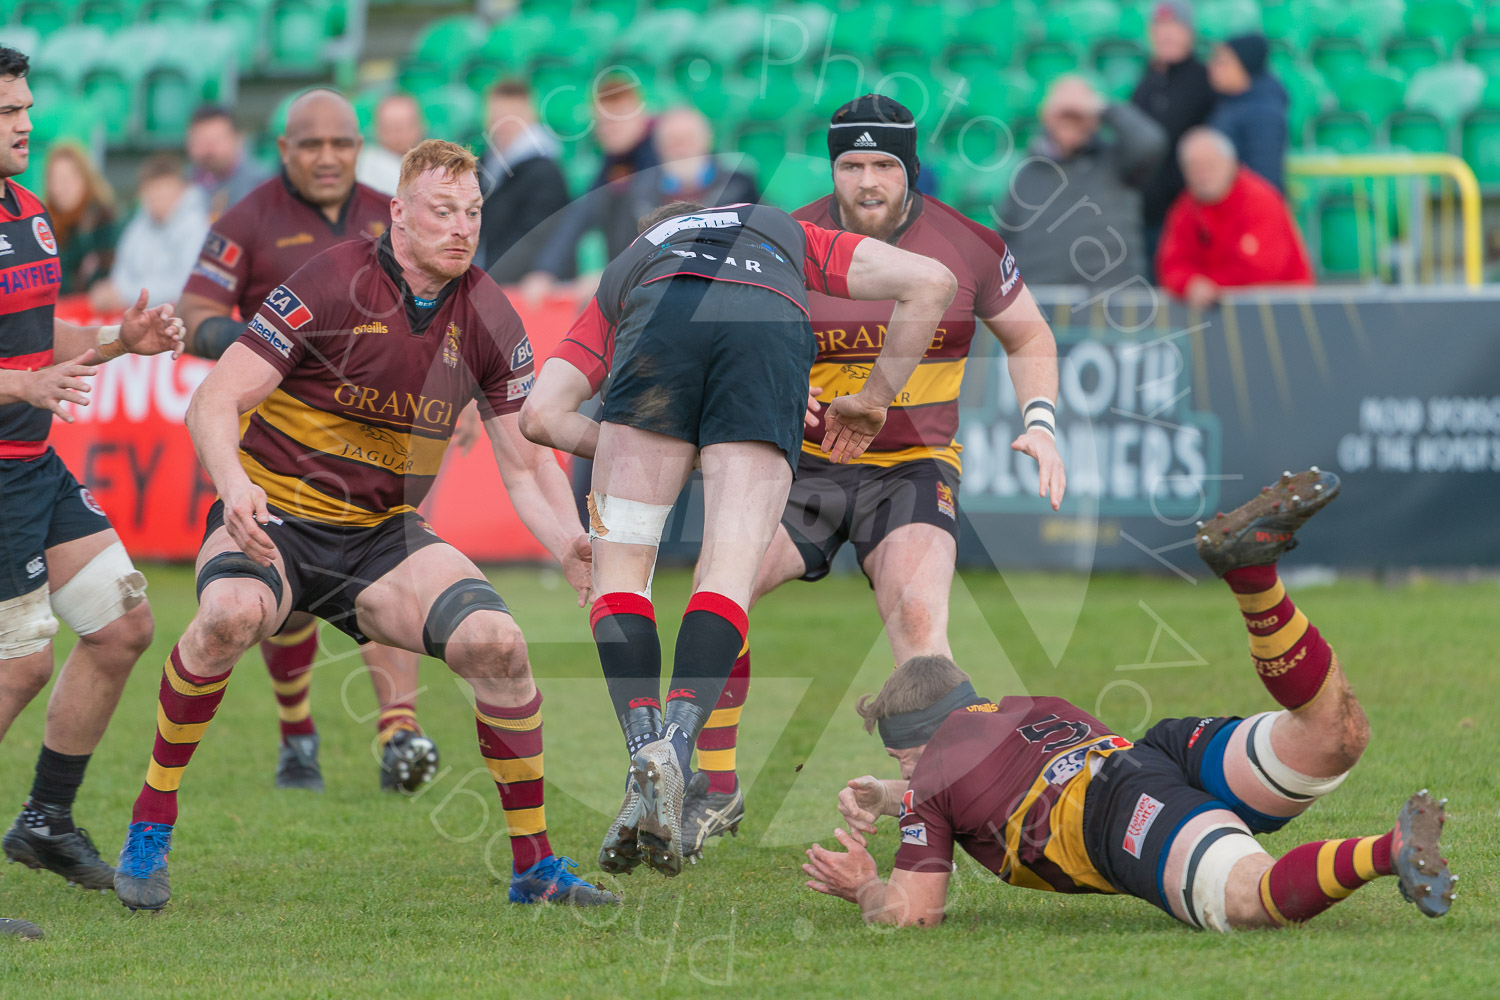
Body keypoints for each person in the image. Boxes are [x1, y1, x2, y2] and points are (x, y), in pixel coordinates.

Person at [111, 140, 617, 912]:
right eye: (442, 211)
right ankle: (151, 820)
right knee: (226, 618)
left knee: (499, 645)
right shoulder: (331, 278)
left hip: (381, 533)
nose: (461, 228)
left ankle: (535, 869)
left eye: (473, 212)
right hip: (276, 514)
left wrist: (569, 545)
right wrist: (235, 483)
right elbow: (213, 400)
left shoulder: (486, 310)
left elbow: (525, 463)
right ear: (400, 215)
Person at [803, 468, 1457, 931]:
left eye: (905, 762)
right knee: (1334, 735)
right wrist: (889, 795)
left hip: (1120, 814)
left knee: (1251, 898)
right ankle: (1255, 580)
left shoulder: (934, 780)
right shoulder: (1027, 709)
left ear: (920, 741)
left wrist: (862, 881)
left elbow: (914, 914)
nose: (908, 778)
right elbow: (959, 780)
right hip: (1156, 754)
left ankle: (1389, 847)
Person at [521, 193, 959, 877]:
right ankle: (678, 740)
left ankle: (644, 744)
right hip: (769, 328)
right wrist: (872, 400)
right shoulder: (776, 226)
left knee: (622, 573)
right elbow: (934, 282)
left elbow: (539, 416)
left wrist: (657, 454)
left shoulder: (636, 261)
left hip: (657, 324)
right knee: (727, 570)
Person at [696, 94, 1066, 856]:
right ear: (832, 167)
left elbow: (1030, 334)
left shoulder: (967, 244)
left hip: (912, 466)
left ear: (911, 169)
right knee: (720, 591)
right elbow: (731, 339)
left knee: (922, 628)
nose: (867, 181)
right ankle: (716, 785)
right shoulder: (784, 239)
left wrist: (1041, 424)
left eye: (884, 165)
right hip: (801, 468)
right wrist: (781, 383)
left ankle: (946, 812)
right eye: (851, 164)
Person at [175, 88, 435, 795]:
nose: (327, 157)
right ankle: (297, 736)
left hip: (383, 432)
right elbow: (194, 309)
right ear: (284, 148)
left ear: (360, 147)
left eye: (341, 144)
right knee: (284, 588)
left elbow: (448, 311)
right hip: (277, 442)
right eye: (311, 144)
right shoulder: (246, 219)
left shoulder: (397, 214)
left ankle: (399, 732)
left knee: (388, 566)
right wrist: (266, 344)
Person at [0, 44, 185, 939]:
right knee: (19, 664)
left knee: (120, 629)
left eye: (24, 106)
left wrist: (117, 340)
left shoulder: (30, 212)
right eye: (5, 112)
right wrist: (20, 385)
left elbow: (42, 331)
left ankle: (44, 822)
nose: (23, 122)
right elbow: (20, 366)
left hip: (34, 465)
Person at [998, 76, 1166, 286]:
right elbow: (1005, 241)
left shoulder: (1116, 161)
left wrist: (1101, 106)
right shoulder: (1026, 174)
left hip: (1112, 299)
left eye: (1079, 115)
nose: (1071, 122)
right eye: (1064, 114)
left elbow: (1150, 143)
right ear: (1047, 117)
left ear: (1094, 119)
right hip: (1043, 301)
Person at [519, 75, 658, 302]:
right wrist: (545, 271)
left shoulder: (663, 159)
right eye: (601, 123)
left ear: (640, 115)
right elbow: (580, 215)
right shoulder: (614, 161)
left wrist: (610, 276)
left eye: (615, 120)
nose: (606, 130)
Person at [1158, 128, 1313, 307]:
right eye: (1195, 168)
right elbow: (1171, 264)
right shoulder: (1185, 209)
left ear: (1230, 163)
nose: (1203, 175)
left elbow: (1262, 271)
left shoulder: (1260, 200)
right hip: (1218, 312)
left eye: (1210, 165)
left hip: (1282, 310)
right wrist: (1189, 283)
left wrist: (1209, 286)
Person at [1131, 0, 1217, 271]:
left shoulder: (1206, 80)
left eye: (1174, 26)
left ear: (1190, 33)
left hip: (1191, 218)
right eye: (1160, 26)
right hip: (1146, 215)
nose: (1166, 34)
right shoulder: (1145, 83)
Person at [475, 78, 572, 282]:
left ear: (529, 116)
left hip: (527, 284)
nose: (502, 125)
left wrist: (484, 280)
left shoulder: (545, 172)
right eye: (496, 117)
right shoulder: (485, 163)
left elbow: (535, 239)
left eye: (510, 117)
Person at [620, 108, 759, 242]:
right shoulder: (637, 194)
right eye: (672, 140)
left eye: (689, 139)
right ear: (658, 147)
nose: (681, 148)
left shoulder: (740, 185)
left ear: (707, 141)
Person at [93, 154, 208, 311]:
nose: (157, 197)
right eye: (152, 190)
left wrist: (127, 295)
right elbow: (121, 272)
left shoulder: (195, 227)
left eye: (164, 188)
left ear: (180, 189)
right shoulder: (138, 225)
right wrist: (113, 292)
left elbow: (185, 285)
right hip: (138, 313)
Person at [1207, 33, 1288, 193]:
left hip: (1248, 212)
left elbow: (1265, 178)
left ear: (1245, 66)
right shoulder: (1231, 103)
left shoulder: (1263, 113)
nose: (1212, 67)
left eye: (1223, 63)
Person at [43, 142, 118, 296]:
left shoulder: (103, 221)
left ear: (85, 178)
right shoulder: (42, 224)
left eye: (68, 178)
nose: (62, 187)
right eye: (55, 179)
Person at [186, 105, 269, 222]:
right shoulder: (182, 182)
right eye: (200, 141)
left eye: (216, 140)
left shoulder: (261, 185)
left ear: (239, 139)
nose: (208, 151)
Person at [356, 92, 425, 197]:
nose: (400, 134)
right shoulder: (367, 166)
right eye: (392, 127)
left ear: (420, 126)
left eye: (405, 126)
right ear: (377, 130)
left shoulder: (429, 161)